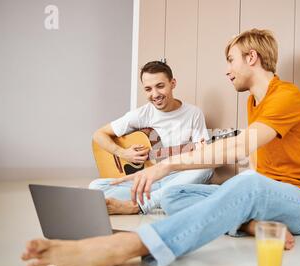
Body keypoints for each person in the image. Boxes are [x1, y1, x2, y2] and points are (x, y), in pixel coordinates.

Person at [22, 29, 300, 266]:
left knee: (247, 185)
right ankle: (248, 224)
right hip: (268, 198)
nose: (227, 69)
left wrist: (166, 165)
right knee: (173, 196)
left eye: (231, 60)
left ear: (251, 58)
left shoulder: (287, 95)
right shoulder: (254, 103)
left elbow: (239, 148)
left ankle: (124, 246)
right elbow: (259, 162)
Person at [89, 61, 213, 214]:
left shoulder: (193, 113)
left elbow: (204, 154)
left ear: (173, 83)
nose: (155, 94)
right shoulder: (142, 114)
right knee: (96, 186)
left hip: (177, 178)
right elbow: (98, 135)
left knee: (206, 168)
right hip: (148, 182)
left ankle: (142, 204)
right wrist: (123, 153)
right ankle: (162, 199)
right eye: (148, 89)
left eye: (160, 86)